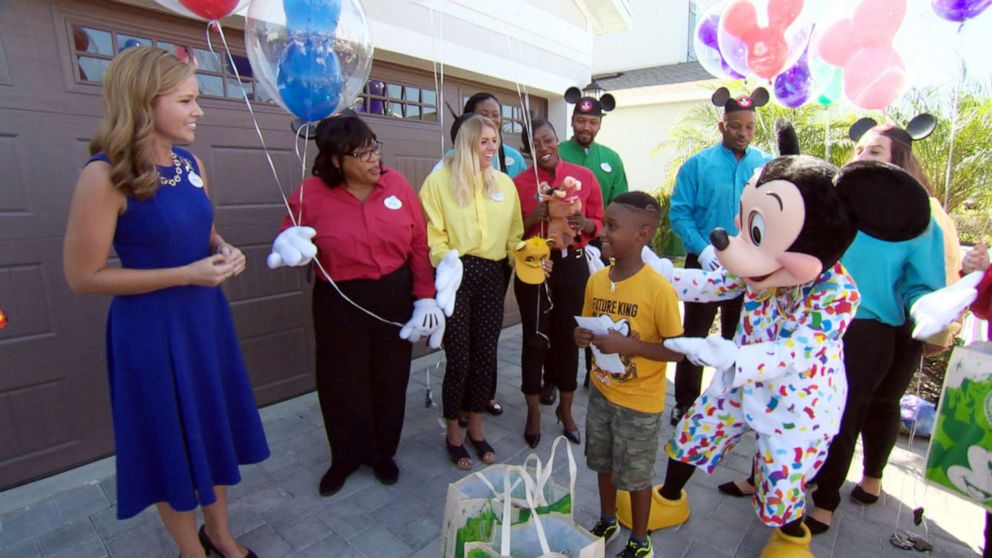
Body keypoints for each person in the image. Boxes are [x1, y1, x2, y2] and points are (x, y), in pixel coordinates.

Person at [62, 46, 268, 558]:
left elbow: (201, 228)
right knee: (169, 442)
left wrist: (224, 249)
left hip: (204, 323)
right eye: (187, 100)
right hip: (150, 332)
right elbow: (83, 276)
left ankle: (219, 535)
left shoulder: (189, 163)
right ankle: (190, 551)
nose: (199, 110)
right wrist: (186, 273)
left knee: (212, 427)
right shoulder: (103, 174)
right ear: (145, 102)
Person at [266, 114, 444, 496]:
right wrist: (286, 243)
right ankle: (345, 457)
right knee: (341, 381)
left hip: (393, 295)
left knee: (390, 377)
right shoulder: (310, 193)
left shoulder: (396, 185)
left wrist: (424, 295)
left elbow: (418, 244)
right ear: (335, 161)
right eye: (361, 153)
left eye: (374, 148)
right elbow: (290, 234)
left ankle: (382, 454)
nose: (373, 158)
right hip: (339, 299)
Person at [803, 118, 949, 533]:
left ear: (898, 162)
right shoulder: (834, 203)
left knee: (848, 415)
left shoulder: (919, 222)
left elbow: (922, 285)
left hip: (869, 332)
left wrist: (930, 309)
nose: (861, 157)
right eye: (859, 150)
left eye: (874, 151)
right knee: (809, 410)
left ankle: (827, 500)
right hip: (817, 322)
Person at [574, 191, 683, 558]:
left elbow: (678, 351)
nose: (602, 232)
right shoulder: (597, 281)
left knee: (636, 475)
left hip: (640, 404)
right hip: (603, 394)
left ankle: (640, 539)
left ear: (643, 234)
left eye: (613, 227)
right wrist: (581, 336)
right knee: (601, 462)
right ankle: (607, 519)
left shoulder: (658, 290)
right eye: (604, 224)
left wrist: (630, 347)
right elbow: (588, 329)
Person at [419, 114, 524, 469]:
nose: (492, 147)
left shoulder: (505, 185)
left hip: (494, 274)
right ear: (467, 144)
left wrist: (525, 255)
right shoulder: (438, 182)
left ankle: (476, 430)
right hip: (457, 274)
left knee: (484, 357)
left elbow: (514, 233)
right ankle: (453, 432)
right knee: (460, 359)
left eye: (495, 140)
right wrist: (444, 261)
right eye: (484, 141)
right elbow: (433, 234)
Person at [667, 86, 773, 427]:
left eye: (749, 127)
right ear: (721, 125)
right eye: (735, 126)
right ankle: (685, 401)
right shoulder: (698, 165)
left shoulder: (766, 166)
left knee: (739, 334)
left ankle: (730, 403)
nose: (742, 133)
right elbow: (679, 214)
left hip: (750, 267)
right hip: (706, 263)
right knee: (694, 333)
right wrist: (704, 249)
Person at [512, 118, 604, 447]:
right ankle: (534, 411)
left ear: (557, 140)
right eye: (535, 144)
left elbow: (601, 225)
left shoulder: (584, 177)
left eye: (548, 140)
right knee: (535, 339)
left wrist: (587, 224)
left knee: (569, 338)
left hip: (572, 265)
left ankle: (566, 412)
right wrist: (531, 219)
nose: (543, 148)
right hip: (535, 265)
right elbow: (510, 234)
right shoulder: (519, 184)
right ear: (527, 150)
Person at [558, 86, 629, 399]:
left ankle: (595, 371)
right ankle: (555, 377)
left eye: (593, 122)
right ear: (572, 120)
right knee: (562, 314)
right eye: (581, 121)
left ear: (599, 124)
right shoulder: (557, 152)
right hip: (562, 246)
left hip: (599, 247)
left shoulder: (611, 159)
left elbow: (621, 204)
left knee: (598, 310)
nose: (586, 127)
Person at [431, 92, 527, 180]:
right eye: (483, 114)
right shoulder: (452, 158)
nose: (490, 120)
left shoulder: (515, 159)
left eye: (495, 114)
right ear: (469, 120)